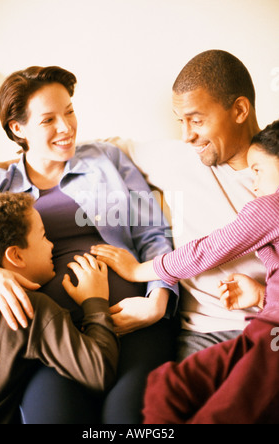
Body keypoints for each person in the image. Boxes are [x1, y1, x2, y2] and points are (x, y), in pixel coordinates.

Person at [0, 66, 178, 423]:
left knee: (125, 417)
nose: (67, 127)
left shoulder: (107, 159)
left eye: (69, 111)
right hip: (59, 339)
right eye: (48, 120)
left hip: (132, 317)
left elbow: (153, 233)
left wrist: (157, 302)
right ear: (18, 128)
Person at [95, 121, 279, 424]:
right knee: (167, 384)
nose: (253, 182)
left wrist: (141, 270)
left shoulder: (268, 206)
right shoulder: (179, 158)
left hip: (269, 334)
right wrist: (261, 295)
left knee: (220, 411)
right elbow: (113, 144)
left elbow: (209, 249)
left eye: (257, 170)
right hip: (262, 328)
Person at [93, 49, 265, 362]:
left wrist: (264, 296)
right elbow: (100, 150)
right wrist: (5, 167)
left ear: (239, 110)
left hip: (267, 328)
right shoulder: (178, 157)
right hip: (201, 335)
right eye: (180, 121)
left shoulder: (271, 177)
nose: (186, 135)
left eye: (197, 120)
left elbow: (208, 249)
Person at [0, 192, 119, 424]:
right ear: (15, 255)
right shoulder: (29, 308)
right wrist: (95, 301)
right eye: (44, 237)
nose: (52, 245)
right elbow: (98, 371)